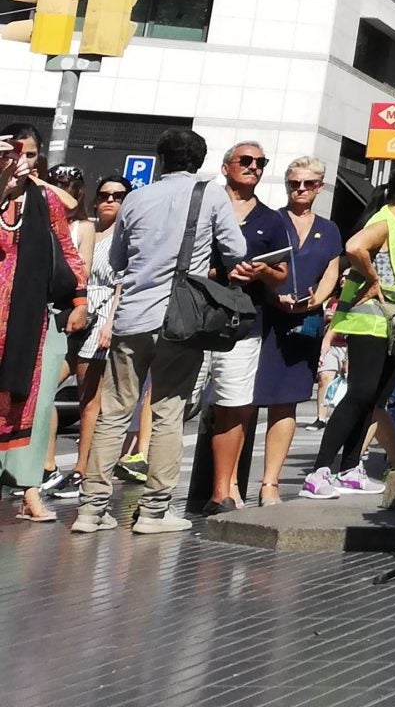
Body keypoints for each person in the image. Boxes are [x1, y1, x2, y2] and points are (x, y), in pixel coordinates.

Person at [75, 126, 246, 535]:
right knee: (168, 412)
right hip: (180, 321)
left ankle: (91, 509)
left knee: (114, 412)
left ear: (162, 159)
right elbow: (237, 251)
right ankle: (154, 511)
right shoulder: (211, 194)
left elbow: (117, 260)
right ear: (200, 161)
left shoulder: (135, 197)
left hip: (131, 317)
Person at [305, 161, 395, 496]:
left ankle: (349, 467)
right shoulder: (386, 221)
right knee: (360, 394)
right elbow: (354, 247)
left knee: (375, 398)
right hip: (372, 320)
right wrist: (374, 280)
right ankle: (320, 470)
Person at [195, 141, 292, 513]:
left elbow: (282, 274)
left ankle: (222, 492)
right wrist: (220, 272)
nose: (254, 167)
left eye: (260, 162)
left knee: (235, 406)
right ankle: (159, 490)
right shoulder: (205, 206)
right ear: (225, 167)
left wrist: (264, 271)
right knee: (178, 403)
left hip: (242, 323)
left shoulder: (270, 219)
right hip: (195, 317)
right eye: (246, 161)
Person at [0, 125, 83, 521]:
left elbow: (67, 247)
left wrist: (79, 299)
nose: (23, 161)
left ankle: (29, 488)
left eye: (31, 154)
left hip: (33, 317)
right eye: (16, 152)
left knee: (37, 400)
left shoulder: (43, 197)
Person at [250, 156, 340, 505]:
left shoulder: (329, 229)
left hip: (305, 322)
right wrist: (276, 296)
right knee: (244, 402)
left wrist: (315, 300)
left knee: (285, 403)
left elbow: (331, 271)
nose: (301, 189)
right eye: (294, 183)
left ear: (320, 186)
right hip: (266, 319)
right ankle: (230, 484)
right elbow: (259, 266)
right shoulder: (272, 220)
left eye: (309, 184)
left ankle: (269, 483)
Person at [48, 170, 125, 500]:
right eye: (105, 195)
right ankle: (46, 465)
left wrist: (110, 323)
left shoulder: (125, 237)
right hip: (70, 313)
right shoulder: (85, 228)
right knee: (44, 386)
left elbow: (122, 283)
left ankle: (82, 470)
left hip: (100, 314)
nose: (110, 201)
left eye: (118, 196)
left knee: (88, 398)